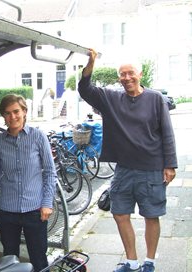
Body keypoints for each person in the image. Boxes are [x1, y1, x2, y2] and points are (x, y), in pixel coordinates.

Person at [78, 49, 177, 272]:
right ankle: (132, 262)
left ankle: (149, 262)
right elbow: (85, 89)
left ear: (139, 74)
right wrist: (91, 62)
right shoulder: (111, 98)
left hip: (152, 168)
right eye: (122, 74)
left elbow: (167, 133)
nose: (127, 78)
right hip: (123, 169)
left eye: (130, 73)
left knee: (152, 215)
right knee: (119, 213)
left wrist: (170, 165)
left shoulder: (155, 99)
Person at [0, 94, 57, 271]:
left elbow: (50, 172)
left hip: (35, 211)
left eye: (16, 111)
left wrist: (47, 202)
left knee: (39, 259)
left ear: (24, 111)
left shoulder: (38, 137)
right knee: (10, 260)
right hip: (8, 211)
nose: (13, 117)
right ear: (3, 116)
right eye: (7, 113)